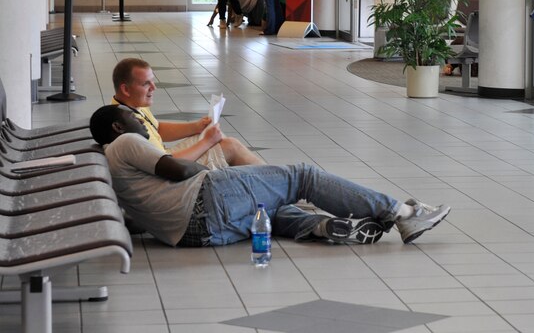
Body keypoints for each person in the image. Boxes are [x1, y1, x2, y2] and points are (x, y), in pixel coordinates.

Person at [89, 104, 452, 248]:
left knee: (269, 208)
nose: (141, 119)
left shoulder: (113, 160)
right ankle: (403, 215)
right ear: (119, 125)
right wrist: (208, 167)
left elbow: (140, 213)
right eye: (133, 116)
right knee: (302, 176)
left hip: (198, 234)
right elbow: (176, 168)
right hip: (207, 200)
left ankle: (323, 227)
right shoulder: (125, 143)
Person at [111, 57, 264, 169]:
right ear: (125, 89)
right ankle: (276, 180)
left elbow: (158, 129)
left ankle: (260, 181)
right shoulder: (129, 124)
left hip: (165, 156)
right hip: (169, 168)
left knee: (217, 136)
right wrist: (207, 142)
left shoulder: (133, 106)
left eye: (153, 81)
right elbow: (165, 163)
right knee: (231, 146)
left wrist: (196, 127)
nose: (154, 87)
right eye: (146, 84)